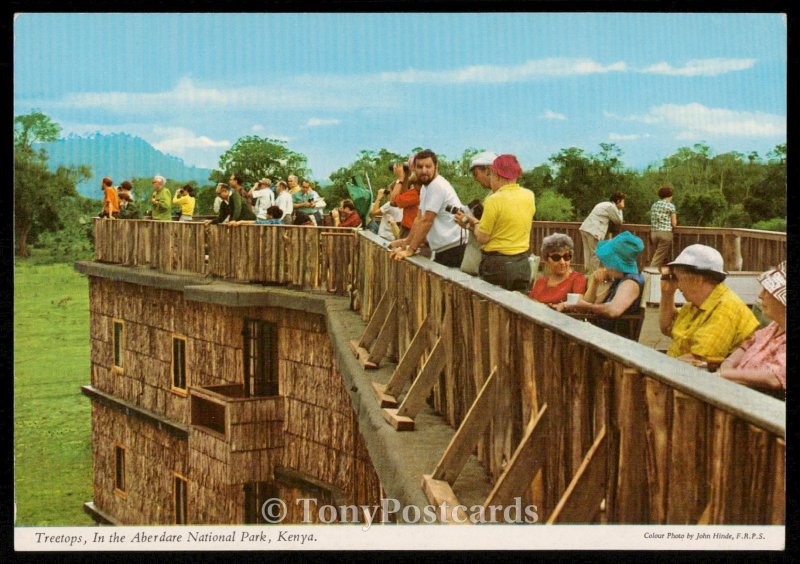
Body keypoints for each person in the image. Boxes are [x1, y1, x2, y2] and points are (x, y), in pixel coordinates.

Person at [659, 244, 760, 362]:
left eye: (677, 278)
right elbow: (667, 327)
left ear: (697, 279)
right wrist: (667, 294)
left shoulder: (725, 310)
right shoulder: (697, 304)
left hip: (700, 376)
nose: (676, 284)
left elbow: (698, 359)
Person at [456, 154, 535, 292]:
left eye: (491, 176)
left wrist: (472, 225)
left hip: (498, 265)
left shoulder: (493, 200)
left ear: (497, 175)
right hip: (522, 263)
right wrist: (475, 221)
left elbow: (483, 237)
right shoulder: (529, 195)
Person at [555, 231, 645, 335]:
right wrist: (595, 282)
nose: (605, 264)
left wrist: (587, 306)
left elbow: (613, 310)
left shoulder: (630, 283)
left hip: (611, 339)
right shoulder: (620, 279)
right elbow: (590, 303)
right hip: (601, 332)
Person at [389, 149, 466, 268]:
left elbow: (427, 221)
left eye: (428, 166)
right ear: (414, 168)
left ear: (436, 166)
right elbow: (419, 218)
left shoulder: (437, 185)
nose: (424, 171)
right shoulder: (426, 188)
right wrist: (407, 242)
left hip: (454, 246)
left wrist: (411, 250)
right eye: (420, 167)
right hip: (444, 247)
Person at [718, 262, 786, 391]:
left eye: (767, 291)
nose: (760, 296)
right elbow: (746, 346)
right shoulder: (774, 327)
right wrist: (727, 365)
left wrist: (725, 374)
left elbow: (775, 377)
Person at [529, 233, 587, 305]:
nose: (562, 262)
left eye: (566, 257)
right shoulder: (540, 282)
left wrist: (562, 306)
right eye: (556, 258)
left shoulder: (577, 279)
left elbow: (578, 304)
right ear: (547, 260)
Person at [579, 192, 625, 272]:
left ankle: (587, 275)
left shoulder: (604, 204)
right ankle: (592, 276)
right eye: (623, 201)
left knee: (588, 254)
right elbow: (619, 221)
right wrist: (620, 209)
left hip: (585, 228)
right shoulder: (611, 207)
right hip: (593, 231)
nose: (624, 203)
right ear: (618, 201)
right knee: (596, 254)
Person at [649, 186, 678, 267]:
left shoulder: (654, 205)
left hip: (654, 234)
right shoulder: (670, 206)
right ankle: (649, 274)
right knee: (658, 257)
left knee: (661, 255)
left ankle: (664, 274)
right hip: (665, 233)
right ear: (670, 196)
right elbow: (674, 223)